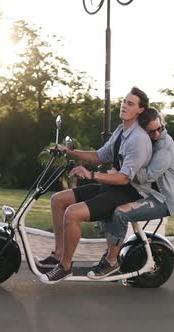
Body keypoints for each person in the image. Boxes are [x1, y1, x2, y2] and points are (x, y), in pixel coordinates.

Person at [37, 87, 153, 284]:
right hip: (111, 187)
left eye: (130, 103)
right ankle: (58, 255)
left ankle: (65, 266)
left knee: (72, 214)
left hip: (127, 193)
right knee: (58, 200)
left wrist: (91, 174)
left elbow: (125, 179)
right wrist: (69, 152)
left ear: (140, 110)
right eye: (124, 101)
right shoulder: (121, 131)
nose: (124, 105)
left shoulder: (138, 139)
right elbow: (99, 156)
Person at [87, 107, 174, 279]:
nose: (156, 134)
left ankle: (111, 263)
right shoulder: (145, 141)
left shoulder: (164, 148)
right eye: (151, 131)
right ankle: (112, 253)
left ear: (163, 124)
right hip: (147, 194)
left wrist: (120, 172)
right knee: (109, 204)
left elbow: (147, 176)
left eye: (159, 129)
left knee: (120, 213)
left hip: (164, 199)